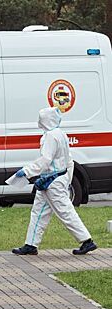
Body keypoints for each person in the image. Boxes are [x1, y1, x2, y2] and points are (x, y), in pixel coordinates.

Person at [12, 107, 97, 256]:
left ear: (45, 120)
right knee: (39, 212)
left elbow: (45, 160)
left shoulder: (50, 136)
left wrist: (27, 171)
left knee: (64, 211)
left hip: (51, 181)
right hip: (54, 180)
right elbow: (68, 160)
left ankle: (86, 240)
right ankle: (31, 244)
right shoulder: (60, 134)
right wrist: (66, 179)